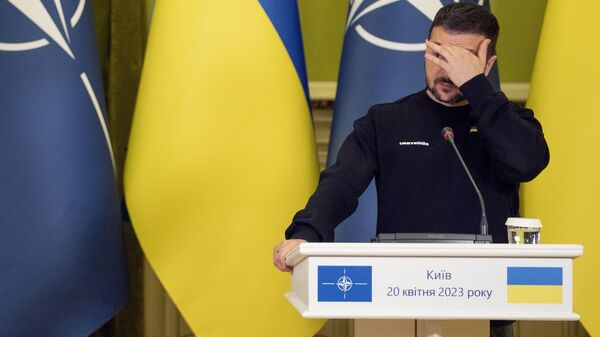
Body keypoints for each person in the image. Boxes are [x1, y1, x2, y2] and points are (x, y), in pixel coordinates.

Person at [274, 4, 549, 336]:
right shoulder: (385, 120)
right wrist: (305, 235)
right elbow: (341, 183)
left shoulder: (510, 123)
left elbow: (527, 162)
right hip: (397, 299)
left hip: (483, 306)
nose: (446, 70)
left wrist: (477, 87)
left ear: (487, 64)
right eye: (438, 54)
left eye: (461, 60)